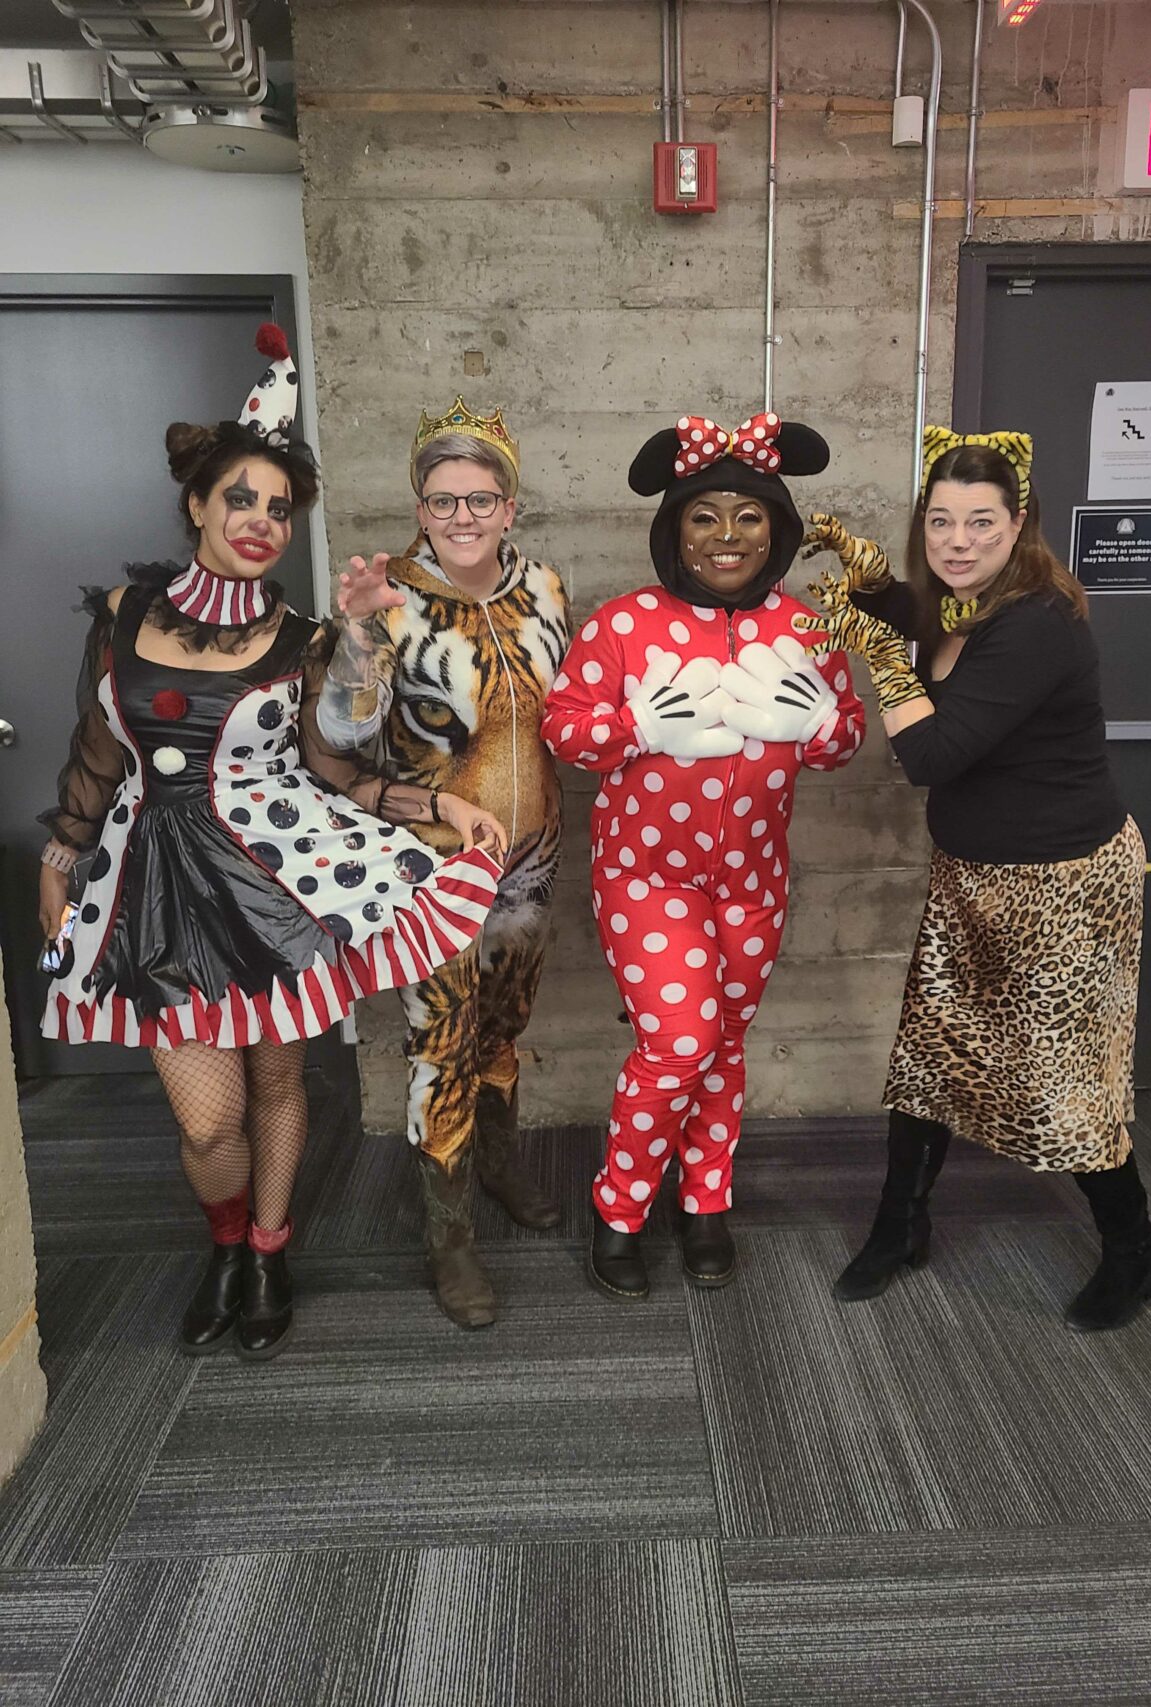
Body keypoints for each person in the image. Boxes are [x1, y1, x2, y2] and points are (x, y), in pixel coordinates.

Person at [37, 327, 505, 1362]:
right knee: (208, 1123)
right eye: (238, 499)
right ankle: (222, 1239)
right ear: (197, 504)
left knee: (279, 1082)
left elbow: (336, 764)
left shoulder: (304, 642)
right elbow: (93, 754)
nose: (258, 521)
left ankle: (266, 1250)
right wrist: (60, 858)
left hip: (272, 883)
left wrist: (436, 805)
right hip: (151, 887)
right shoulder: (119, 616)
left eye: (278, 508)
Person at [801, 426, 1151, 1332]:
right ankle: (900, 1225)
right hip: (974, 875)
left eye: (981, 523)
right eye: (941, 522)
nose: (958, 541)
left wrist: (876, 653)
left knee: (1063, 1082)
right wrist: (871, 577)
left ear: (1022, 526)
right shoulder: (959, 607)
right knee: (930, 1055)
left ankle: (1134, 1246)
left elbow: (931, 752)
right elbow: (915, 624)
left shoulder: (1037, 624)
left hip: (1064, 889)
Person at [542, 411, 864, 1300]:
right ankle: (621, 1206)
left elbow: (845, 739)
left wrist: (822, 724)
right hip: (647, 877)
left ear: (778, 528)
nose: (727, 536)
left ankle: (706, 1201)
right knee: (679, 1042)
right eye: (705, 515)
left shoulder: (806, 623)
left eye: (748, 515)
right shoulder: (623, 623)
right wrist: (633, 727)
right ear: (674, 527)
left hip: (755, 879)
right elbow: (564, 730)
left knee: (723, 1045)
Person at [315, 399, 570, 1329]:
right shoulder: (387, 595)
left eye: (481, 498)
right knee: (440, 1045)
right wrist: (355, 636)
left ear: (512, 504)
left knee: (504, 1024)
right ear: (419, 508)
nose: (462, 517)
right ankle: (448, 1239)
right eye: (442, 501)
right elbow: (339, 740)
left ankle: (498, 1170)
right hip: (432, 870)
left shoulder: (546, 587)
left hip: (534, 858)